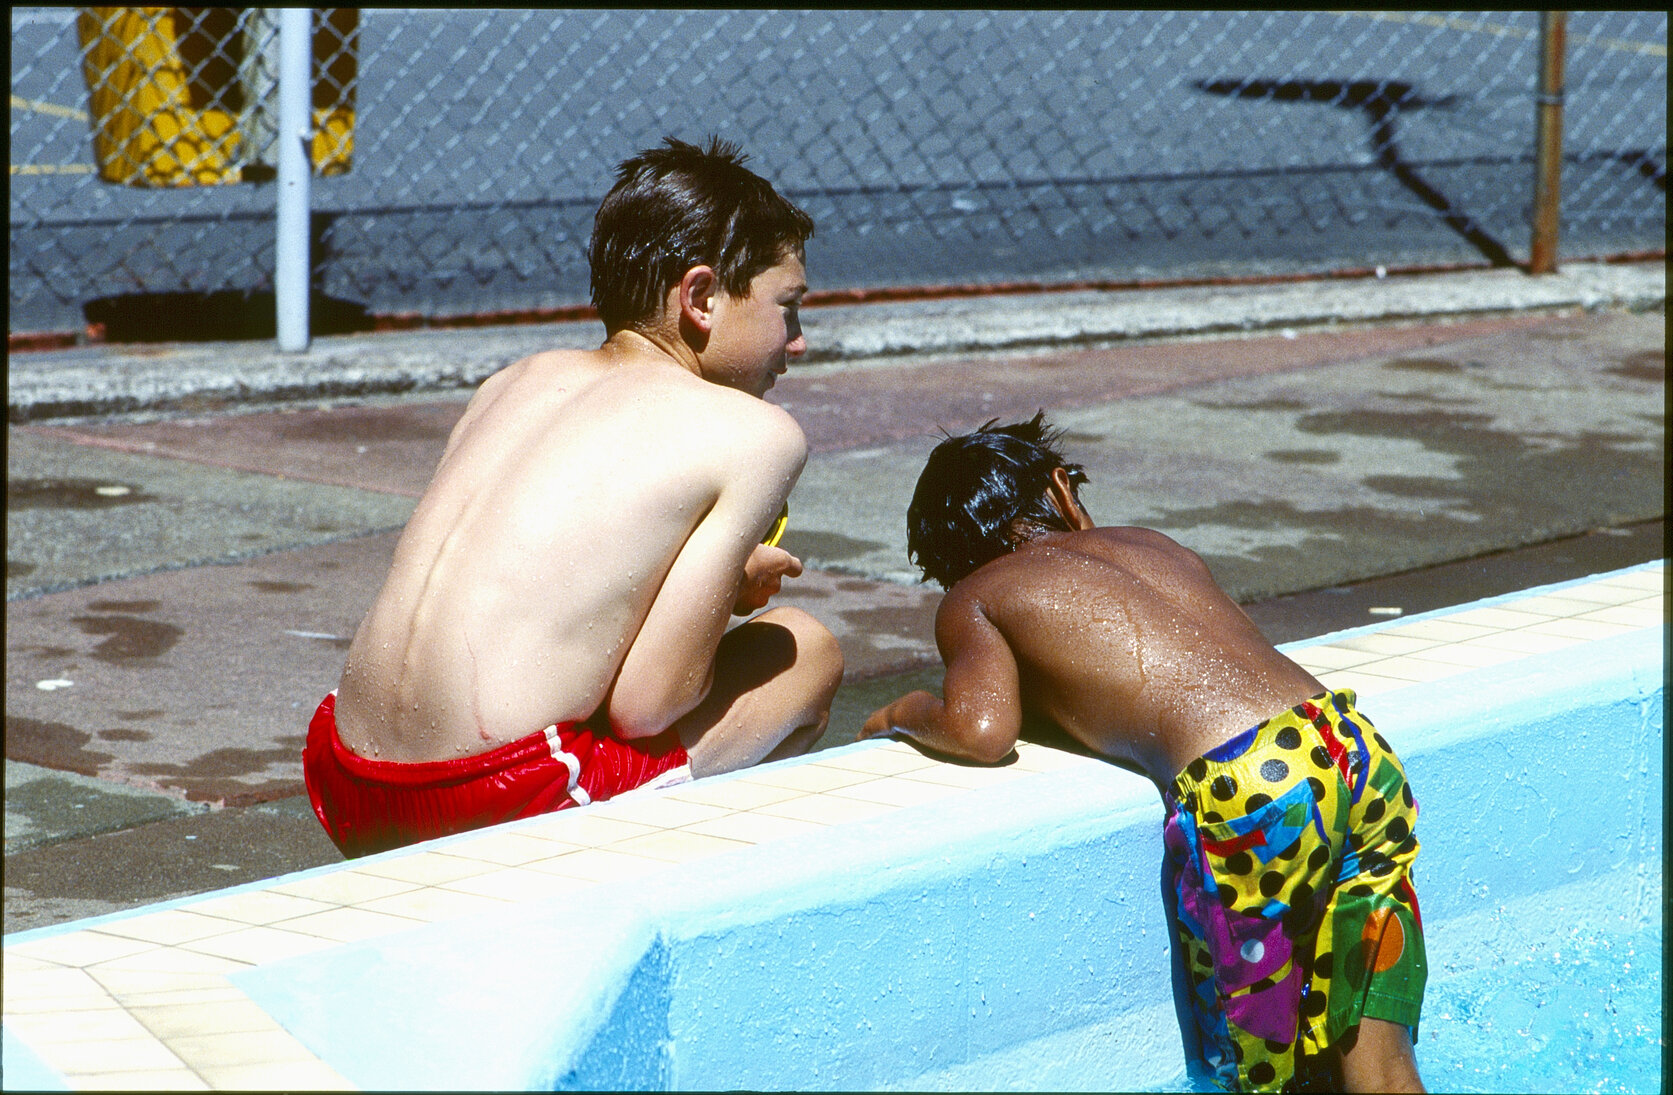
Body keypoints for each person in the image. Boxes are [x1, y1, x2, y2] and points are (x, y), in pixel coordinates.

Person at [304, 137, 843, 858]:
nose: (798, 342)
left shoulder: (516, 379)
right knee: (803, 649)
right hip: (494, 793)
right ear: (702, 297)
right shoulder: (755, 434)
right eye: (789, 307)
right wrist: (721, 604)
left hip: (343, 774)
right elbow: (650, 702)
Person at [860, 413, 1425, 1094]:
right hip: (1351, 747)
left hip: (1249, 790)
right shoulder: (1152, 545)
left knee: (1260, 1075)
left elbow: (982, 729)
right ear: (1061, 491)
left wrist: (901, 712)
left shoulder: (974, 598)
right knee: (1381, 1068)